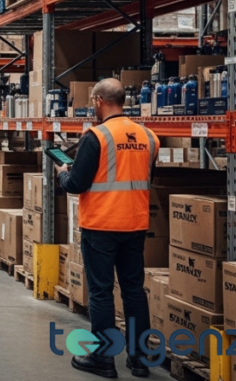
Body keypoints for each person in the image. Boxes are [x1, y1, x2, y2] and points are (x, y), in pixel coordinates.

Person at [55, 78, 158, 379]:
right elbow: (145, 177)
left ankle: (103, 358)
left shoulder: (96, 136)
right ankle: (139, 359)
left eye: (91, 101)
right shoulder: (149, 137)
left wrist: (63, 173)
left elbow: (77, 184)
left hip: (101, 225)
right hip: (135, 224)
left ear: (99, 101)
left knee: (101, 292)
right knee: (134, 290)